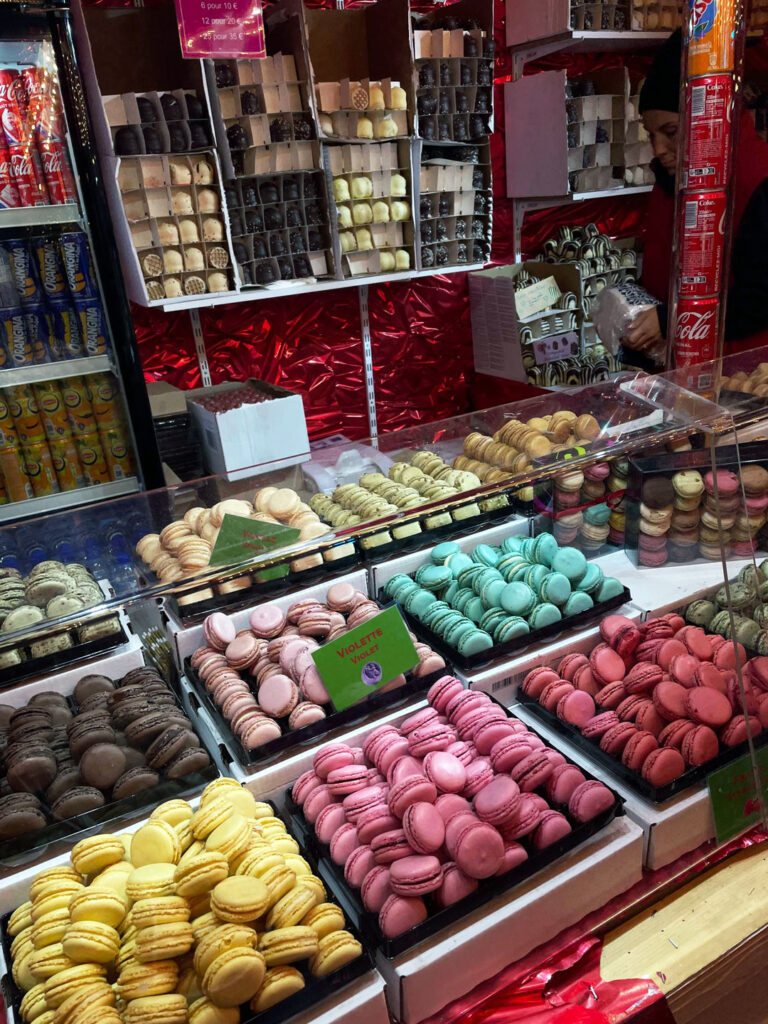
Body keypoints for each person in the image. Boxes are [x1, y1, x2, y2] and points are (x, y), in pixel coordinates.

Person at [623, 29, 768, 361]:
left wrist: (671, 321)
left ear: (708, 119)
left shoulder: (756, 180)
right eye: (651, 134)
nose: (658, 149)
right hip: (680, 366)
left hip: (742, 374)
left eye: (671, 133)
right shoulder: (671, 180)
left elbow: (760, 299)